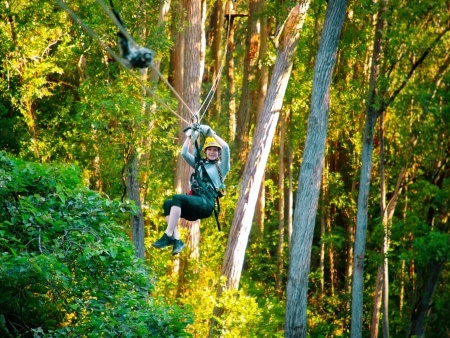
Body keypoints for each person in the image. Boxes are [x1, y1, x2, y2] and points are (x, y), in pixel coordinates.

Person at [152, 124, 230, 255]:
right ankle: (177, 240)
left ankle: (167, 235)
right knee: (167, 203)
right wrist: (190, 136)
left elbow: (226, 147)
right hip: (195, 205)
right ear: (205, 151)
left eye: (215, 150)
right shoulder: (199, 165)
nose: (212, 152)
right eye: (209, 149)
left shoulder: (221, 168)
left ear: (218, 153)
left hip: (206, 204)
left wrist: (211, 133)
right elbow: (183, 153)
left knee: (177, 198)